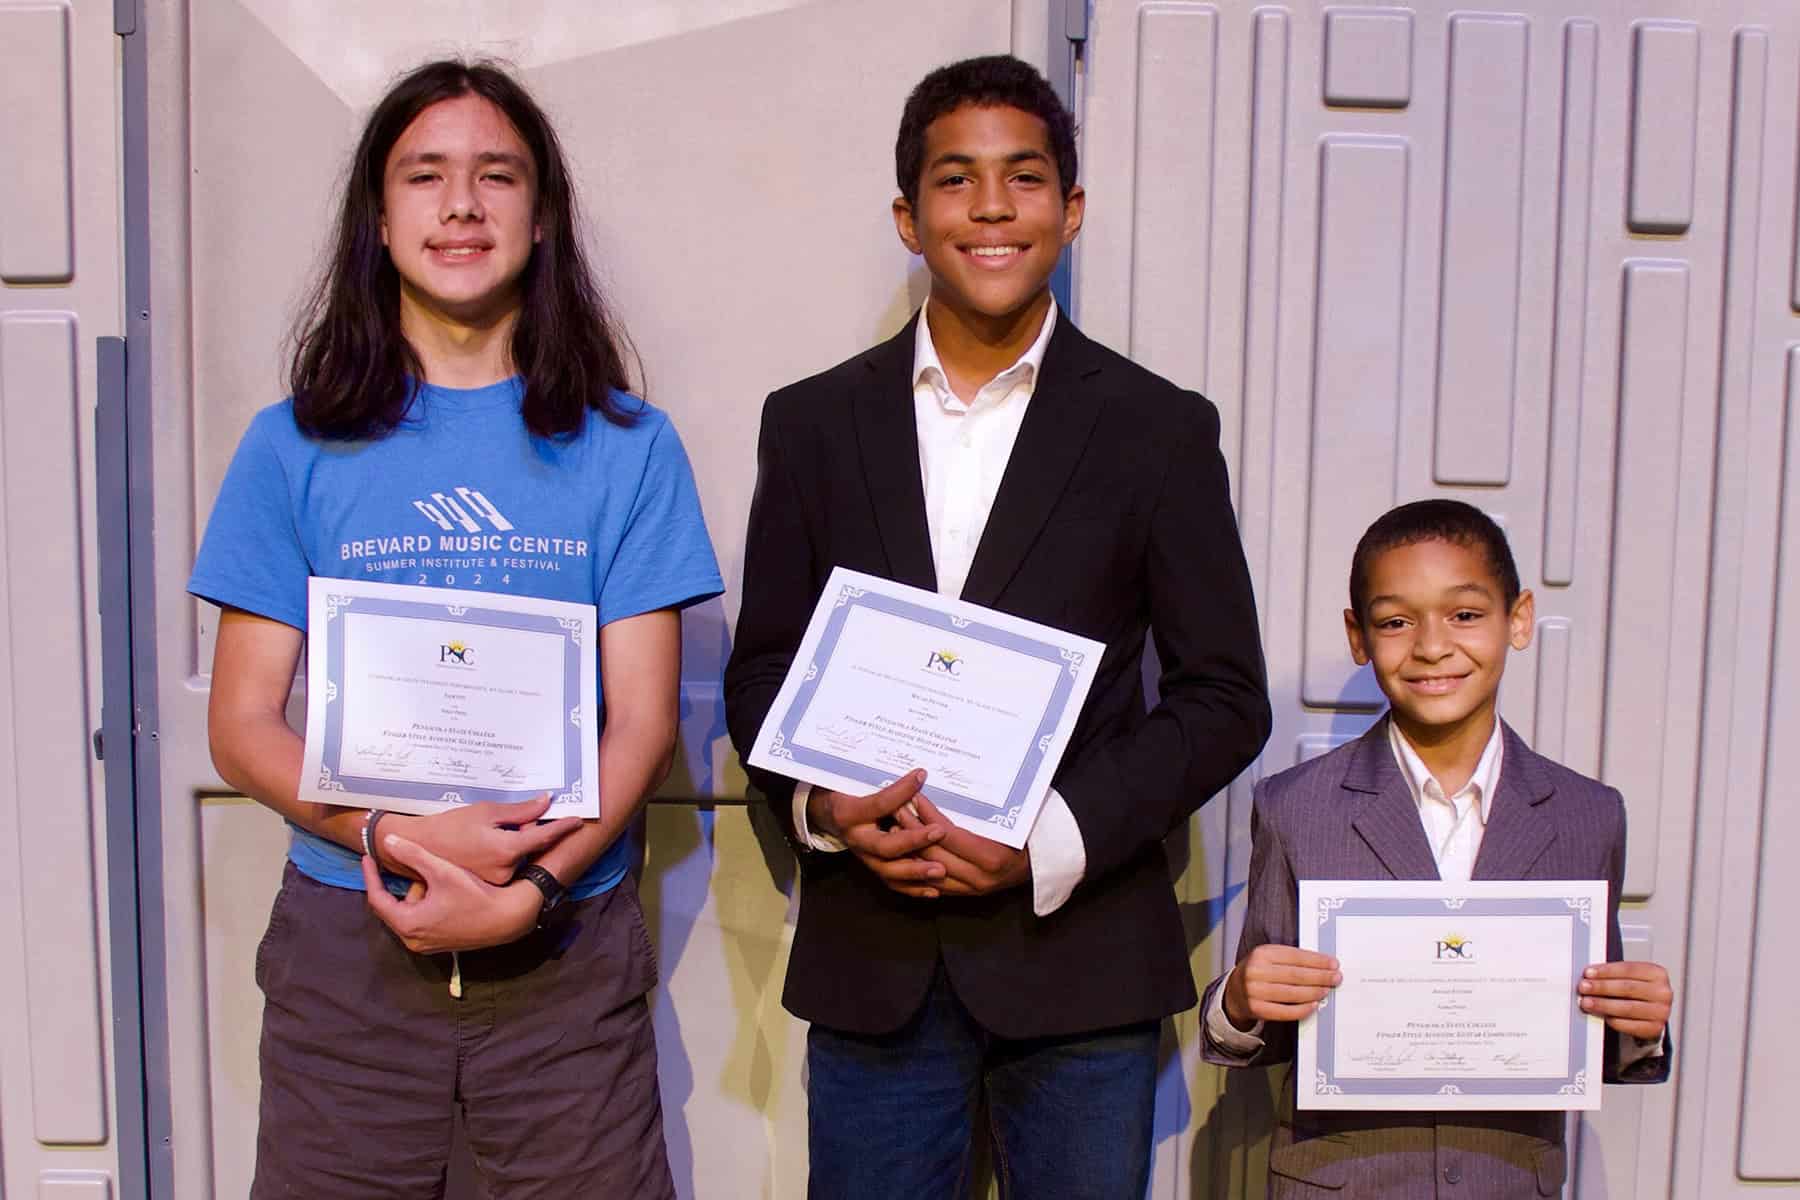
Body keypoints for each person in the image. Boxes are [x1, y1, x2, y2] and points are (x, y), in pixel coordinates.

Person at [723, 54, 1271, 1198]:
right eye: (954, 180)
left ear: (1068, 211)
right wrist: (826, 813)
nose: (988, 206)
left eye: (1021, 179)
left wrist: (1051, 838)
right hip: (876, 957)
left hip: (1081, 964)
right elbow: (766, 668)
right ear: (908, 218)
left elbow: (1225, 697)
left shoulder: (1158, 430)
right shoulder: (816, 423)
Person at [189, 58, 721, 1198]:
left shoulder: (629, 448)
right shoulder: (290, 447)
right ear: (379, 221)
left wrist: (529, 887)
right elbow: (240, 725)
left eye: (497, 175)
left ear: (541, 217)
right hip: (349, 948)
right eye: (425, 176)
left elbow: (640, 725)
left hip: (565, 946)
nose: (463, 204)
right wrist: (397, 838)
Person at [1199, 498, 1673, 1199]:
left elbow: (1580, 1031)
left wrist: (1641, 1027)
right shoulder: (1296, 806)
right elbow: (1260, 1027)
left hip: (1509, 1182)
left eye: (1465, 615)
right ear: (1359, 637)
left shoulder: (1588, 815)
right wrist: (1239, 1000)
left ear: (1519, 619)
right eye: (1395, 622)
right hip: (1337, 1182)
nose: (1430, 646)